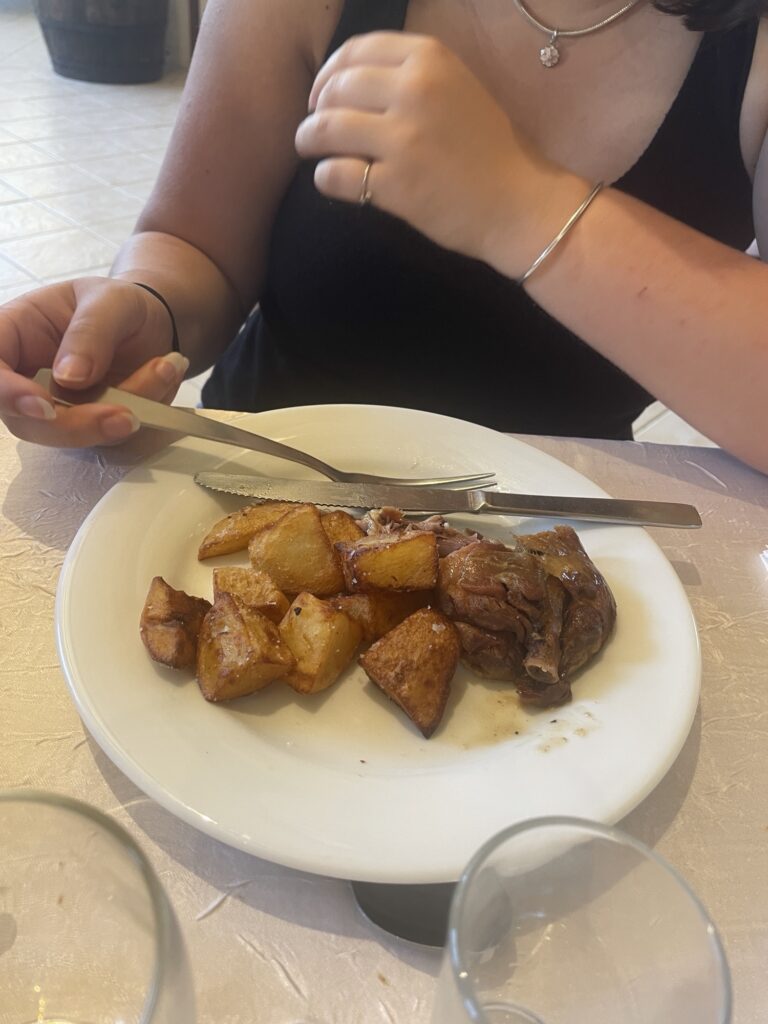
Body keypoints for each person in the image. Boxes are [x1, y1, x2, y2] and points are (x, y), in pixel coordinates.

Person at [2, 0, 768, 470]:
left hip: (558, 552)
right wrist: (147, 308)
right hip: (258, 484)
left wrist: (518, 203)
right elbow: (193, 243)